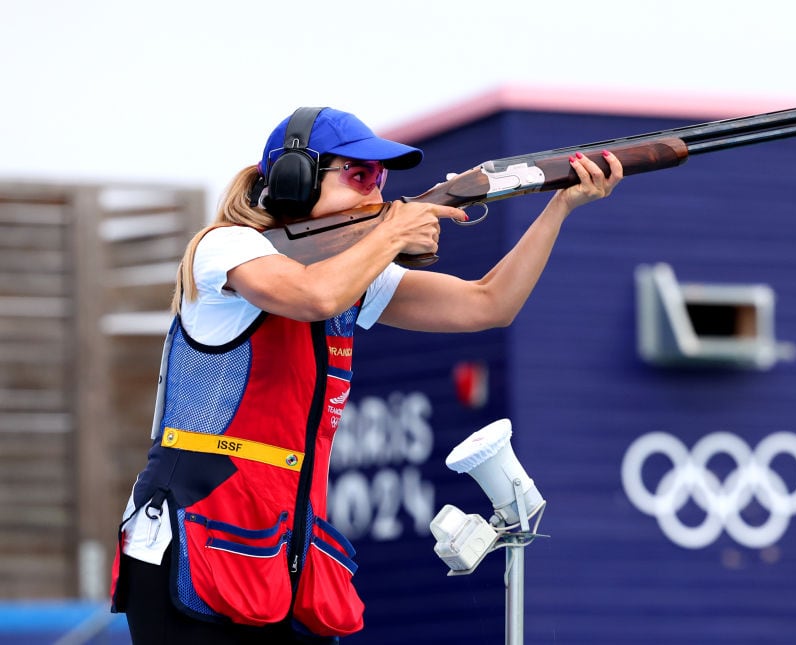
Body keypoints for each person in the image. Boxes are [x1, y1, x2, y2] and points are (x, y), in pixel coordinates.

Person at [109, 106, 622, 644]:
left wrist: (560, 207)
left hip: (283, 552)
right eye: (359, 177)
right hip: (196, 536)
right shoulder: (228, 247)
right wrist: (395, 231)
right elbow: (313, 296)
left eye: (380, 179)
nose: (377, 195)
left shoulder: (355, 273)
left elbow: (488, 304)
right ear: (294, 180)